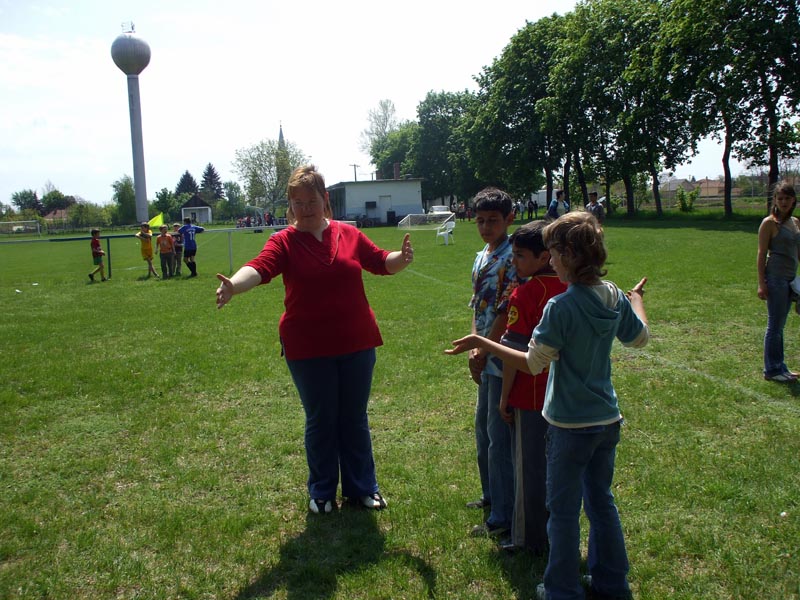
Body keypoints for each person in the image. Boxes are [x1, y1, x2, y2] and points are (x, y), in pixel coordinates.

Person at [446, 212, 649, 600]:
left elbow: (532, 363)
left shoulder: (560, 306)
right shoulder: (612, 294)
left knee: (563, 511)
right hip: (607, 420)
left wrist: (483, 343)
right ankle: (612, 583)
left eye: (554, 252)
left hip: (569, 426)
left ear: (569, 255)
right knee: (602, 503)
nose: (550, 260)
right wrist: (636, 300)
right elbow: (638, 337)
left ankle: (561, 589)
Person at [215, 165, 414, 515]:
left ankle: (363, 488)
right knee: (321, 419)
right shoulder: (283, 241)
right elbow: (260, 267)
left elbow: (380, 261)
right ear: (290, 205)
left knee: (354, 417)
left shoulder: (348, 233)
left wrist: (402, 258)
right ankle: (321, 491)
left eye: (312, 201)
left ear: (325, 199)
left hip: (357, 341)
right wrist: (234, 285)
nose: (305, 208)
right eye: (298, 202)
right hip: (308, 347)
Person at [498, 221, 567, 554]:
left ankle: (528, 539)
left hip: (533, 396)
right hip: (569, 398)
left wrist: (504, 398)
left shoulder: (525, 294)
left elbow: (513, 354)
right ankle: (559, 535)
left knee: (530, 470)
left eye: (521, 256)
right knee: (561, 470)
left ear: (545, 257)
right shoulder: (574, 288)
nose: (514, 262)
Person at [465, 187, 520, 539]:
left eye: (494, 221)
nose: (486, 227)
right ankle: (491, 496)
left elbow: (505, 310)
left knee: (499, 439)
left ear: (509, 219)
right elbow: (477, 305)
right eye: (481, 221)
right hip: (484, 354)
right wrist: (474, 344)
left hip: (502, 358)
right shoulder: (481, 256)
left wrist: (485, 349)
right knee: (483, 431)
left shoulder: (514, 258)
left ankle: (503, 515)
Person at [757, 182, 799, 382]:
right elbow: (761, 254)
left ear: (793, 200)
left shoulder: (795, 222)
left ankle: (780, 366)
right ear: (774, 200)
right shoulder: (769, 223)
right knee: (775, 325)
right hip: (776, 278)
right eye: (779, 198)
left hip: (791, 278)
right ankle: (772, 370)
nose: (783, 202)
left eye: (787, 198)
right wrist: (761, 283)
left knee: (780, 326)